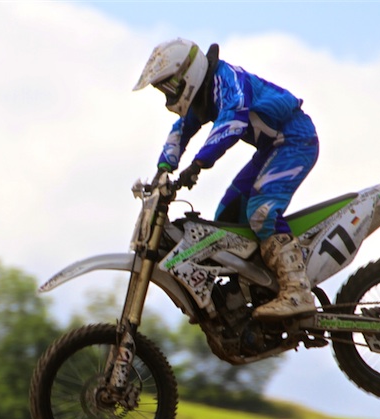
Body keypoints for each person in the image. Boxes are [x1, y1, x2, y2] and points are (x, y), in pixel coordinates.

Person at [133, 38, 320, 319]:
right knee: (227, 217)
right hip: (271, 148)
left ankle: (297, 291)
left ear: (188, 73)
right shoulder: (203, 95)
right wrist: (163, 169)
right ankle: (254, 290)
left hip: (296, 140)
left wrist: (198, 164)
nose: (168, 95)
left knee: (261, 211)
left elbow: (233, 120)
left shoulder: (227, 80)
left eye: (170, 87)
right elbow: (181, 129)